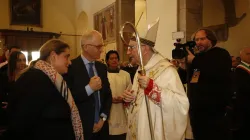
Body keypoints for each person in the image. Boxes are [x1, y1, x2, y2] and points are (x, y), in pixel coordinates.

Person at [122, 19, 189, 140]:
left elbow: (181, 105)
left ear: (145, 48)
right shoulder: (140, 70)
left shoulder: (167, 70)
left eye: (131, 47)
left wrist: (153, 89)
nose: (128, 52)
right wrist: (130, 100)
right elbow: (138, 105)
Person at [4, 39, 84, 140]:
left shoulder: (56, 80)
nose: (69, 62)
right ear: (53, 56)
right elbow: (21, 122)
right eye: (66, 57)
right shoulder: (34, 79)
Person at [65, 30, 112, 140]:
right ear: (86, 47)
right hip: (82, 128)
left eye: (102, 46)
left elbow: (108, 95)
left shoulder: (102, 67)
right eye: (98, 46)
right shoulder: (70, 67)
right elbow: (69, 99)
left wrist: (103, 118)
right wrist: (89, 89)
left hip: (102, 128)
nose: (102, 50)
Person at [186, 28, 231, 140]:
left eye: (202, 39)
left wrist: (194, 60)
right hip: (197, 110)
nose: (198, 42)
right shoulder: (198, 57)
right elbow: (192, 79)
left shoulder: (221, 54)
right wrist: (183, 66)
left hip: (214, 111)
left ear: (211, 39)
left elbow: (215, 72)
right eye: (196, 40)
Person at [105, 50, 131, 140]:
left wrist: (123, 98)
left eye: (116, 58)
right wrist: (109, 99)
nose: (114, 60)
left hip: (122, 111)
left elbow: (130, 90)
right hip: (109, 111)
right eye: (111, 58)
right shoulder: (104, 75)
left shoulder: (126, 75)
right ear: (107, 61)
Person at [234, 47, 250, 139]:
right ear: (241, 56)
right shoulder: (240, 69)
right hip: (245, 105)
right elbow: (244, 88)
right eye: (248, 54)